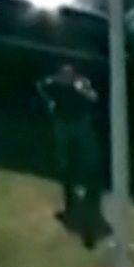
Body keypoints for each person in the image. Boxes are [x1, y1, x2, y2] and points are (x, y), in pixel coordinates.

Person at [36, 65, 101, 221]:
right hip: (62, 123)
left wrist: (82, 91)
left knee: (89, 155)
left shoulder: (81, 83)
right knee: (63, 156)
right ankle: (68, 188)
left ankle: (92, 187)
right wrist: (49, 102)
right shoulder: (54, 83)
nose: (66, 78)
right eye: (64, 75)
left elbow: (94, 97)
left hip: (80, 123)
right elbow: (40, 84)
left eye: (69, 76)